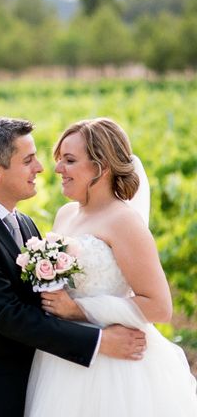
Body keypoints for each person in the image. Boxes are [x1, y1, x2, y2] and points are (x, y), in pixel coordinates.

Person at [0, 117, 146, 417]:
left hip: (43, 384)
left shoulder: (24, 223)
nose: (40, 168)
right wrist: (99, 341)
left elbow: (45, 299)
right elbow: (10, 316)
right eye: (28, 160)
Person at [24, 117, 197, 416]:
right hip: (65, 357)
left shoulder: (124, 221)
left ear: (100, 167)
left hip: (116, 364)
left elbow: (159, 307)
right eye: (59, 159)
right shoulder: (65, 215)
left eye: (69, 160)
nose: (57, 169)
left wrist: (78, 310)